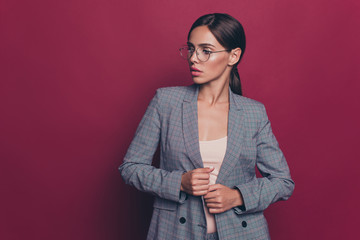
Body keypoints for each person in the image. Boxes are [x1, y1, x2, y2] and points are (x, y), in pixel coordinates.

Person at [119, 13, 294, 240]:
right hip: (177, 232)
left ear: (233, 56)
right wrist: (178, 182)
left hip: (242, 233)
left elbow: (283, 182)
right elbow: (131, 167)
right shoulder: (166, 102)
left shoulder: (253, 113)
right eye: (191, 49)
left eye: (206, 51)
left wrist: (238, 196)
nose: (193, 58)